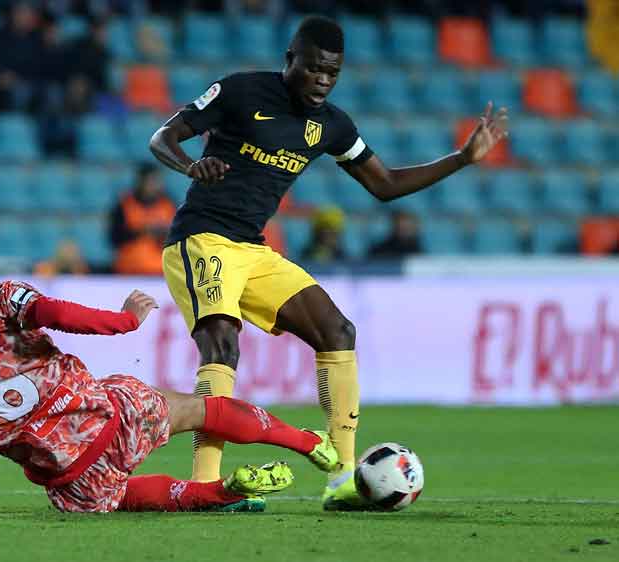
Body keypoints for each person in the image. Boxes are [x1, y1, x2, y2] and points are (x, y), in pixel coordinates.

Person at [149, 15, 508, 510]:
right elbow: (162, 137)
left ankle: (342, 478)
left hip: (253, 250)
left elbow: (384, 185)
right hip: (201, 240)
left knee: (337, 331)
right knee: (221, 343)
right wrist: (192, 165)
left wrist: (460, 159)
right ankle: (205, 487)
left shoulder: (332, 125)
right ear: (290, 60)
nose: (322, 80)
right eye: (314, 68)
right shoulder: (239, 92)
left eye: (332, 73)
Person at [0, 243, 338, 515]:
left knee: (119, 496)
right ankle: (307, 443)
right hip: (110, 415)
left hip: (68, 478)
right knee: (199, 409)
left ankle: (221, 493)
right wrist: (125, 320)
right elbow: (56, 312)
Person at [109, 163, 176, 275]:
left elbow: (178, 238)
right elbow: (115, 238)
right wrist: (142, 231)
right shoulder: (124, 205)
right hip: (128, 271)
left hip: (161, 272)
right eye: (150, 181)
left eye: (156, 181)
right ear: (140, 181)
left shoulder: (168, 205)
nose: (154, 185)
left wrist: (163, 233)